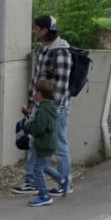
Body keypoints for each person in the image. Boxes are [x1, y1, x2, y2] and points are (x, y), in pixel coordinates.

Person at [11, 15, 73, 197]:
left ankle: (64, 182)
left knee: (60, 144)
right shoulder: (42, 49)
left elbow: (62, 83)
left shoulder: (61, 52)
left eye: (36, 28)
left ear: (45, 31)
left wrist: (53, 109)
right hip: (41, 106)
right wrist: (32, 105)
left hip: (54, 109)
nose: (33, 31)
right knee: (34, 142)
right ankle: (32, 181)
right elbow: (37, 80)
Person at [23, 79, 64, 207]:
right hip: (50, 143)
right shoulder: (51, 106)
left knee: (38, 169)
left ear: (40, 94)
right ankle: (63, 181)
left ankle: (44, 195)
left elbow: (39, 128)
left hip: (44, 144)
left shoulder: (42, 110)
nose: (34, 94)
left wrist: (28, 125)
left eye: (35, 92)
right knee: (44, 167)